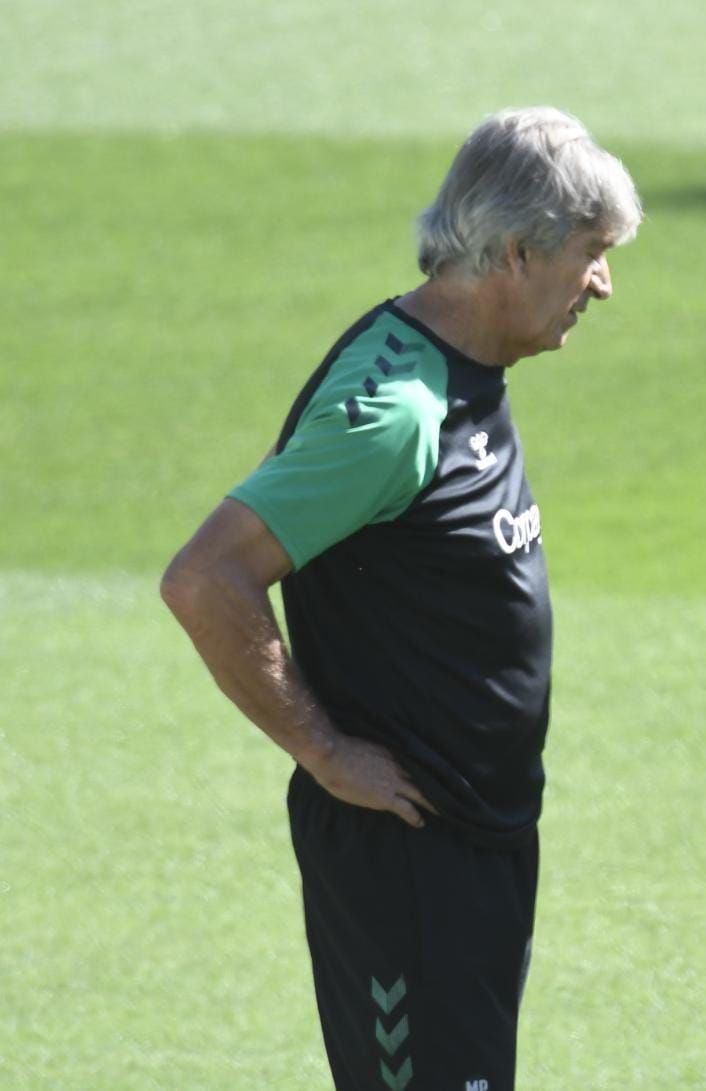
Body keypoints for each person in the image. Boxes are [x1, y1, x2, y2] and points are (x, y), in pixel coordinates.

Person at [160, 107, 641, 1091]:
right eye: (589, 255)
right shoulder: (393, 416)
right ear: (512, 252)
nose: (602, 281)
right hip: (409, 859)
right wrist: (326, 750)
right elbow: (205, 577)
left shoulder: (463, 360)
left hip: (477, 844)